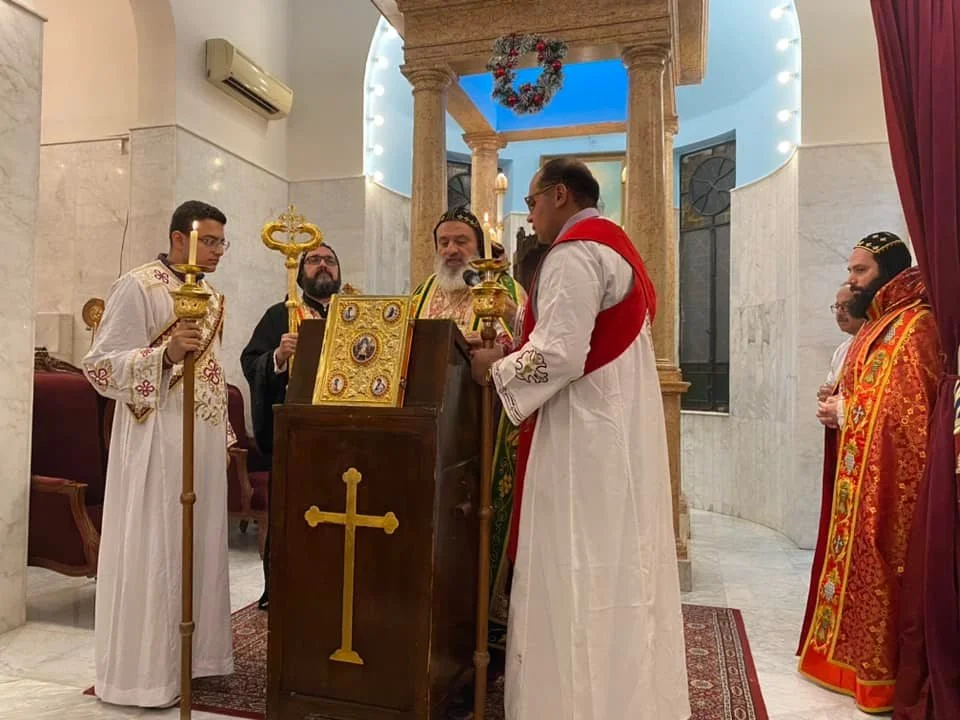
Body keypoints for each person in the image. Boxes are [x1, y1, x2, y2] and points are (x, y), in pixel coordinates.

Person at [471, 158, 690, 720]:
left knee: (573, 560)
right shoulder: (620, 249)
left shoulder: (572, 253)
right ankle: (626, 696)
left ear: (560, 195)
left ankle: (568, 704)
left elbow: (560, 354)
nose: (530, 213)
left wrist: (496, 367)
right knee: (617, 558)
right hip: (615, 427)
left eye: (533, 201)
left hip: (582, 434)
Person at [82, 200, 234, 708]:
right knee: (157, 545)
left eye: (220, 243)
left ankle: (195, 660)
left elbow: (213, 369)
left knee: (200, 542)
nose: (215, 252)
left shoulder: (211, 295)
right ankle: (146, 673)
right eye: (208, 241)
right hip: (155, 436)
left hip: (203, 437)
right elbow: (100, 366)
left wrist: (227, 437)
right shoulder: (139, 284)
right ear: (177, 239)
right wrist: (163, 356)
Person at [798, 231, 941, 713]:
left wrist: (847, 413)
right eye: (850, 272)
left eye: (860, 271)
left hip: (894, 488)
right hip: (860, 477)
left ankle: (879, 678)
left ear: (891, 270)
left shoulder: (916, 325)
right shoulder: (880, 326)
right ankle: (844, 662)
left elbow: (909, 416)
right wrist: (840, 406)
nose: (852, 281)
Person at [411, 206, 527, 652]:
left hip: (489, 427)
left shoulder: (504, 289)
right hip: (437, 428)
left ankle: (489, 619)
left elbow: (527, 345)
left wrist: (496, 351)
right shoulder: (422, 293)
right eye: (444, 242)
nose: (452, 250)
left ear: (478, 246)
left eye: (461, 241)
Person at [240, 242, 342, 610]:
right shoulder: (279, 315)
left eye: (330, 260)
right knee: (294, 517)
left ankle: (339, 587)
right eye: (314, 261)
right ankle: (283, 591)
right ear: (300, 273)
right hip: (297, 435)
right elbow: (250, 362)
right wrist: (278, 357)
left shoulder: (354, 313)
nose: (323, 266)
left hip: (347, 431)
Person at [817, 285, 866, 402]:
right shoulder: (842, 350)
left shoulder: (880, 345)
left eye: (846, 306)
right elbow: (831, 386)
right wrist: (827, 394)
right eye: (837, 306)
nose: (839, 313)